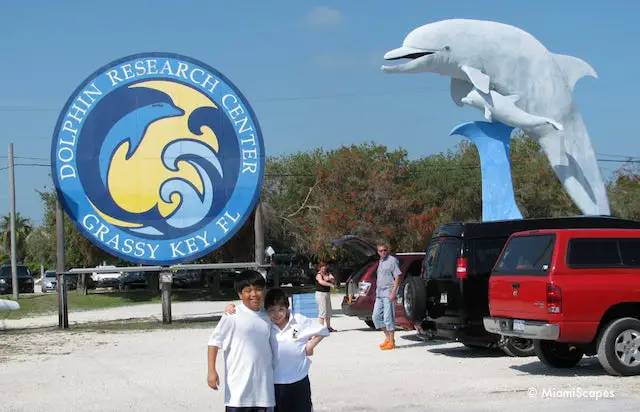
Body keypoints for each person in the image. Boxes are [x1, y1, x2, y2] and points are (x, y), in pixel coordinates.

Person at [224, 288, 329, 412]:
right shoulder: (265, 321)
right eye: (272, 310)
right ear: (266, 310)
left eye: (281, 309)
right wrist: (230, 307)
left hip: (299, 380)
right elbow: (248, 312)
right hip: (275, 382)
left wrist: (310, 345)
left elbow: (323, 330)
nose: (276, 314)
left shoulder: (298, 320)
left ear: (287, 308)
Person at [207, 270, 275, 412]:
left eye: (258, 289)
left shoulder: (268, 316)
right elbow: (214, 342)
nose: (254, 294)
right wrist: (211, 371)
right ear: (240, 294)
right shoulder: (232, 315)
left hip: (263, 392)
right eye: (248, 290)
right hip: (238, 394)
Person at [372, 242, 402, 350]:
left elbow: (397, 276)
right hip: (379, 293)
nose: (383, 252)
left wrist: (393, 292)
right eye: (381, 251)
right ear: (378, 252)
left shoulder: (392, 260)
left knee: (388, 317)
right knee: (376, 317)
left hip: (388, 292)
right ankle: (388, 338)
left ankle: (392, 341)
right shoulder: (380, 261)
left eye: (385, 250)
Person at [315, 262, 336, 332]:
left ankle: (328, 327)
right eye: (322, 267)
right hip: (320, 294)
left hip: (327, 294)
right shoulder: (318, 275)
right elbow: (321, 282)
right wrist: (330, 284)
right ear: (319, 268)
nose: (324, 268)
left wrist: (331, 279)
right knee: (323, 311)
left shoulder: (327, 273)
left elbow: (332, 279)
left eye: (325, 267)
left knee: (328, 311)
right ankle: (320, 328)